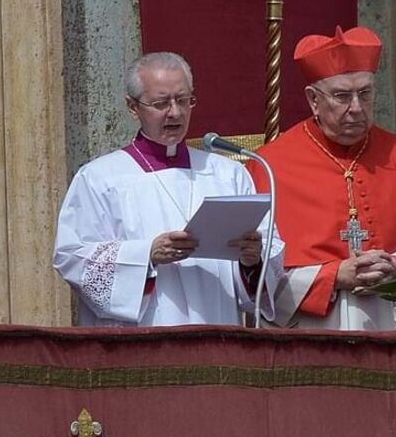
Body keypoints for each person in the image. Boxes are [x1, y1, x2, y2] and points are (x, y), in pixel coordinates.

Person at [247, 26, 396, 330]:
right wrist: (332, 276)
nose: (356, 108)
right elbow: (255, 273)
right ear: (313, 100)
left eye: (365, 93)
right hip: (311, 331)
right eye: (342, 96)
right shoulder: (270, 165)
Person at [54, 52, 283, 326]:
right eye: (161, 103)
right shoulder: (99, 178)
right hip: (143, 336)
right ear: (132, 107)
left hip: (216, 326)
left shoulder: (228, 174)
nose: (175, 112)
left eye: (183, 100)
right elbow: (72, 257)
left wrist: (252, 260)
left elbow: (271, 247)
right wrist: (146, 254)